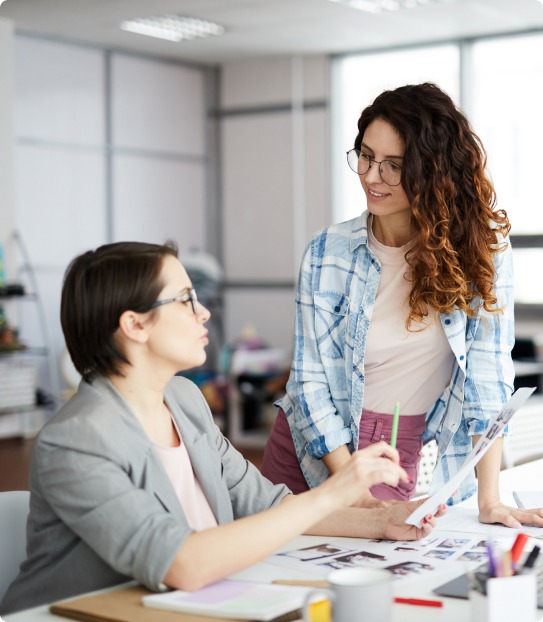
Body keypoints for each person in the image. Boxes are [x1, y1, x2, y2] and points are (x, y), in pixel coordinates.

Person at [0, 241, 444, 615]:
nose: (204, 312)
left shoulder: (184, 400)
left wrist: (383, 521)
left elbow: (266, 505)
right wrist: (335, 489)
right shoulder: (77, 440)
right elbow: (181, 563)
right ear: (134, 325)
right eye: (185, 300)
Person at [261, 82, 543, 530]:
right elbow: (310, 383)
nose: (372, 176)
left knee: (379, 585)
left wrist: (490, 498)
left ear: (434, 172)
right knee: (280, 582)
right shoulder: (328, 252)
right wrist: (349, 485)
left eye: (394, 166)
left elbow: (487, 378)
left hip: (392, 452)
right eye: (365, 156)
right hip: (312, 452)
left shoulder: (481, 251)